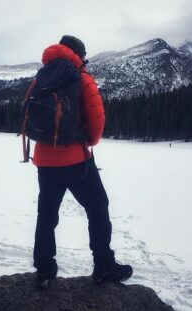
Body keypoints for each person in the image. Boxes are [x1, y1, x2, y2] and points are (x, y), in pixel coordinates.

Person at [27, 35, 133, 289]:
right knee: (97, 206)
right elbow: (97, 122)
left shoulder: (41, 77)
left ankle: (44, 269)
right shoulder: (82, 79)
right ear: (78, 54)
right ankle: (103, 265)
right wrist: (87, 142)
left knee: (47, 213)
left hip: (45, 160)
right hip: (76, 161)